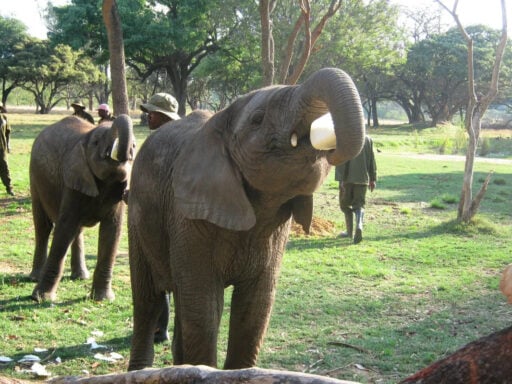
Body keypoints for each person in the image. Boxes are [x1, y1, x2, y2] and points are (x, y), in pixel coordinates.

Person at [335, 135, 377, 244]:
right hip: (362, 179)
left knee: (344, 205)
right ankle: (359, 226)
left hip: (347, 179)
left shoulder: (345, 137)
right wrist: (373, 178)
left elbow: (341, 160)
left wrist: (341, 180)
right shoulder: (368, 139)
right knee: (359, 205)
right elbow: (372, 160)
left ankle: (349, 232)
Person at [0, 106, 14, 196]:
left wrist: (8, 145)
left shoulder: (4, 118)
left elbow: (8, 133)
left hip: (1, 148)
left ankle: (9, 188)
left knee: (5, 168)